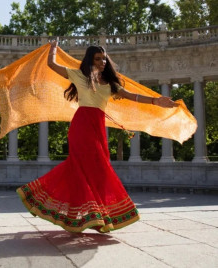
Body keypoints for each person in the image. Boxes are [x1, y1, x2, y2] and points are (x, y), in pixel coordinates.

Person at [17, 41, 177, 233]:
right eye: (98, 58)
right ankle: (88, 213)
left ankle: (91, 215)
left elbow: (131, 96)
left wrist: (156, 101)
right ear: (90, 61)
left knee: (97, 169)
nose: (102, 61)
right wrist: (53, 49)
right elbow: (52, 65)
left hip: (98, 127)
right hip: (81, 126)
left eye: (104, 58)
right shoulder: (79, 75)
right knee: (84, 166)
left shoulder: (110, 84)